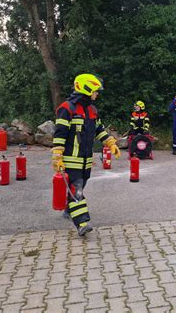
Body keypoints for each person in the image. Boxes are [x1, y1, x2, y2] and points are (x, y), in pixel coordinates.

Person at [51, 74, 121, 236]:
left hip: (86, 161)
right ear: (86, 89)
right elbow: (60, 134)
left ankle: (69, 209)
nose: (97, 94)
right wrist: (57, 156)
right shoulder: (67, 109)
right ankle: (82, 223)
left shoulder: (92, 110)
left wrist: (110, 143)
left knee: (80, 187)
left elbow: (99, 130)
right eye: (96, 91)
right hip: (71, 159)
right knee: (77, 191)